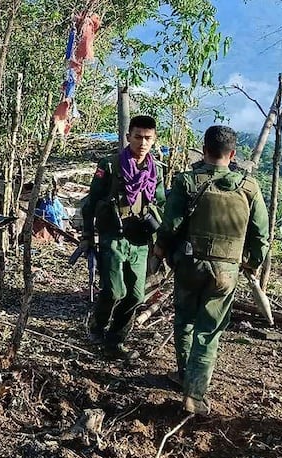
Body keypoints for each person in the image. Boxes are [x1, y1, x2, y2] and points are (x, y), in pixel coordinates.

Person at [154, 125, 269, 415]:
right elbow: (261, 236)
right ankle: (194, 394)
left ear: (203, 150)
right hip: (225, 271)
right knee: (209, 332)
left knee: (185, 321)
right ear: (232, 155)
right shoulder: (249, 188)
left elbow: (171, 225)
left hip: (189, 265)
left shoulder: (186, 182)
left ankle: (183, 374)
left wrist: (161, 250)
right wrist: (253, 263)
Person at [81, 115, 165, 359]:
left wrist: (162, 239)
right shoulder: (110, 165)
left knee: (136, 295)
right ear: (128, 136)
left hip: (139, 240)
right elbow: (91, 203)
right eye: (137, 136)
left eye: (148, 138)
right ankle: (97, 325)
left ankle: (116, 340)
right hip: (113, 237)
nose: (142, 142)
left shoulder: (154, 171)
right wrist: (87, 235)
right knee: (114, 291)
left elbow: (160, 203)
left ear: (154, 140)